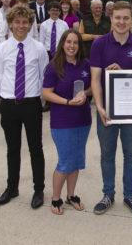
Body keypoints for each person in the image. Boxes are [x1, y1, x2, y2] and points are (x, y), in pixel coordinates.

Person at [90, 1, 132, 216]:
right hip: (107, 110)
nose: (121, 22)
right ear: (111, 18)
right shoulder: (99, 44)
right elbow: (95, 80)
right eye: (117, 17)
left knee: (131, 155)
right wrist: (99, 106)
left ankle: (130, 195)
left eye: (126, 18)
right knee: (107, 154)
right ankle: (108, 194)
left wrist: (123, 71)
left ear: (131, 19)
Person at [0, 5, 49, 207]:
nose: (21, 26)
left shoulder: (38, 48)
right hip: (9, 105)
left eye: (25, 22)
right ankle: (12, 188)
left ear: (30, 24)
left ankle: (38, 190)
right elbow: (0, 76)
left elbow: (43, 75)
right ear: (10, 24)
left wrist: (36, 99)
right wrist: (10, 95)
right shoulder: (2, 49)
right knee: (12, 148)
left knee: (36, 148)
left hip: (31, 105)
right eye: (17, 22)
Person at [42, 29, 92, 215]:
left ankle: (71, 195)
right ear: (63, 44)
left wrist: (84, 94)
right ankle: (56, 198)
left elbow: (92, 87)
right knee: (65, 161)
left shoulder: (86, 65)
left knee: (77, 160)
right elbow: (46, 93)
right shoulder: (54, 66)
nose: (72, 46)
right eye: (68, 42)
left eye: (75, 42)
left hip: (83, 119)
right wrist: (68, 102)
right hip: (62, 120)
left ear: (80, 45)